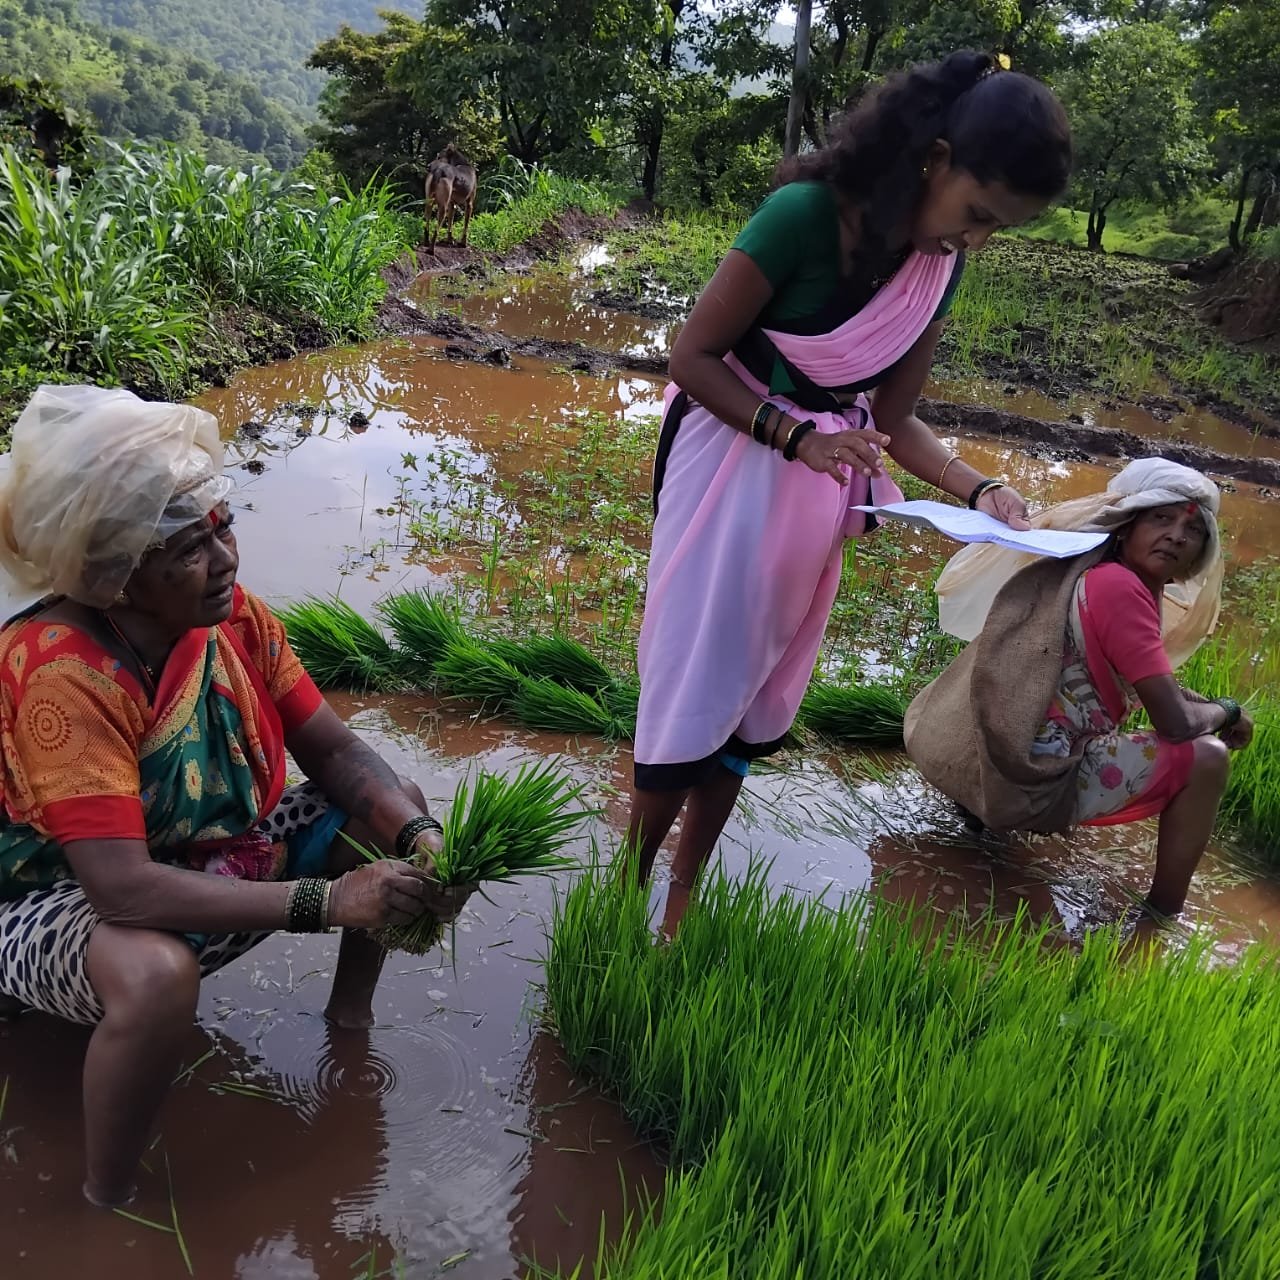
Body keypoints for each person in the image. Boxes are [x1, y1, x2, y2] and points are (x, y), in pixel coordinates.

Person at [0, 385, 475, 1209]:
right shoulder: (62, 671)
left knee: (389, 805)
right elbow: (117, 889)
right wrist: (331, 901)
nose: (226, 560)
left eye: (224, 526)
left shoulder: (233, 620)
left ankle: (347, 1031)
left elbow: (328, 746)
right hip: (48, 896)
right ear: (116, 573)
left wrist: (421, 836)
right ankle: (106, 1201)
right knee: (153, 979)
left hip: (192, 864)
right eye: (190, 547)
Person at [626, 51, 1073, 889]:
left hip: (809, 501)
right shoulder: (799, 217)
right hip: (728, 467)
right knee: (694, 682)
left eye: (995, 229)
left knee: (751, 697)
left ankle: (684, 892)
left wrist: (981, 489)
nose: (974, 238)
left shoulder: (936, 269)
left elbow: (894, 417)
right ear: (934, 158)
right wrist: (797, 436)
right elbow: (692, 356)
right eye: (975, 212)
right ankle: (623, 888)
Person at [905, 458, 1250, 920]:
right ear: (1126, 527)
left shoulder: (1089, 573)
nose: (1175, 535)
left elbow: (1148, 682)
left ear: (1198, 555)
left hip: (971, 755)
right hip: (1031, 780)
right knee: (1208, 757)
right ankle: (1161, 914)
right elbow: (1174, 723)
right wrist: (1227, 711)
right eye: (1161, 518)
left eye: (1193, 531)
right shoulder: (1122, 590)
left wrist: (1206, 704)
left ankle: (977, 825)